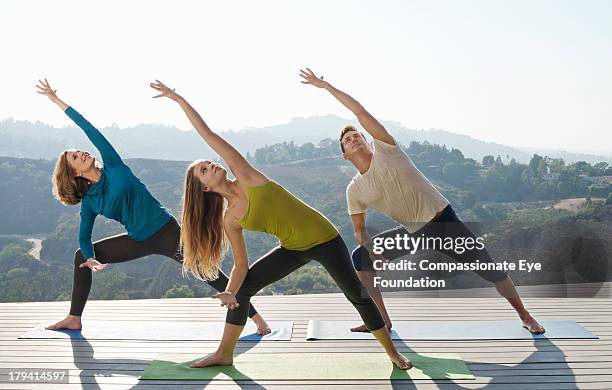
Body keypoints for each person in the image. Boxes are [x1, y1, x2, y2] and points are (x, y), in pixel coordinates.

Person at [150, 80, 413, 370]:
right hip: (293, 248)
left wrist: (178, 99)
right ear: (205, 189)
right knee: (242, 290)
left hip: (324, 238)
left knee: (357, 295)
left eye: (208, 163)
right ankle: (224, 353)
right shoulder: (231, 218)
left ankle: (392, 353)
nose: (211, 165)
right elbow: (240, 265)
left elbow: (207, 134)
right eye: (204, 170)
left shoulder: (246, 175)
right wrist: (230, 292)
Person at [299, 68, 545, 334]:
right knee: (361, 257)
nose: (353, 138)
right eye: (347, 140)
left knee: (490, 269)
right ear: (345, 155)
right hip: (414, 231)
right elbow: (359, 230)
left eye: (357, 135)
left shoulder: (387, 150)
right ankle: (381, 320)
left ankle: (525, 315)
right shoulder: (354, 189)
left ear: (368, 141)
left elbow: (359, 111)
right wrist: (372, 248)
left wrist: (326, 87)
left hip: (444, 222)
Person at [35, 79, 269, 334]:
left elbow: (89, 129)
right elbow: (84, 235)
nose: (82, 153)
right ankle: (74, 317)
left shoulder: (112, 165)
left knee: (210, 273)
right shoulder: (91, 202)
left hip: (166, 232)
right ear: (75, 173)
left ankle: (257, 319)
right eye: (75, 157)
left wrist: (57, 101)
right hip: (137, 239)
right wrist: (91, 257)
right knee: (80, 257)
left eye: (79, 151)